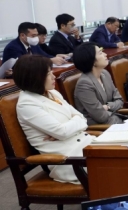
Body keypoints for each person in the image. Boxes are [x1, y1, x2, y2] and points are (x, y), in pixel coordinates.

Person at [15, 55, 93, 183]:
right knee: (121, 165)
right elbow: (62, 132)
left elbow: (82, 118)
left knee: (127, 153)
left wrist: (69, 126)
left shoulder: (52, 93)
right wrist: (71, 124)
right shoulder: (27, 104)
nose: (54, 76)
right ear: (34, 77)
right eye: (48, 73)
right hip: (69, 159)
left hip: (85, 145)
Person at [73, 43, 125, 125]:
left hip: (114, 120)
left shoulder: (104, 73)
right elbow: (101, 117)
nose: (105, 54)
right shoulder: (84, 84)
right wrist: (114, 111)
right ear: (92, 61)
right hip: (100, 127)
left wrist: (107, 106)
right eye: (100, 53)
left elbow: (120, 100)